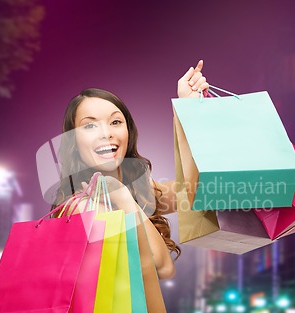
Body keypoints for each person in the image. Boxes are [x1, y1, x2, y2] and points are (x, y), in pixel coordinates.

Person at [52, 60, 209, 280]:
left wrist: (188, 109)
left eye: (116, 122)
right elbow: (161, 267)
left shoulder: (138, 188)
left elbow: (193, 191)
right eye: (89, 125)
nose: (106, 133)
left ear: (129, 131)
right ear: (73, 140)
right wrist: (125, 201)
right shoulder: (84, 205)